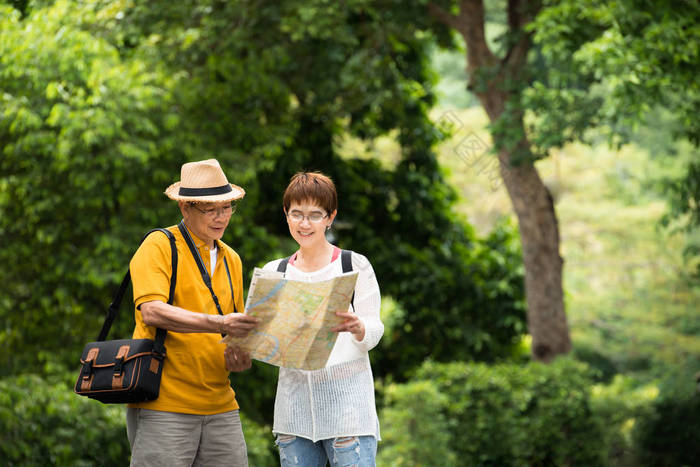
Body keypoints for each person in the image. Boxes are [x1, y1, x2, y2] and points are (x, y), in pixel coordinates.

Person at [126, 158, 259, 467]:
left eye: (227, 207)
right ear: (185, 207)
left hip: (222, 406)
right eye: (210, 209)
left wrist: (241, 355)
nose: (221, 217)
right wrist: (219, 323)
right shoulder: (160, 244)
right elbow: (152, 312)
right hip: (165, 404)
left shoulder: (232, 260)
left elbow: (232, 333)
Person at [263, 172, 384, 467]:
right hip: (294, 412)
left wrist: (358, 327)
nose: (305, 224)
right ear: (286, 215)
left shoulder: (353, 265)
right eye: (297, 214)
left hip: (349, 410)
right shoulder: (275, 272)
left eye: (315, 215)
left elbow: (375, 327)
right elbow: (264, 341)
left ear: (331, 217)